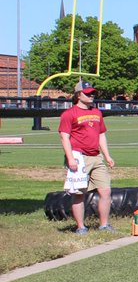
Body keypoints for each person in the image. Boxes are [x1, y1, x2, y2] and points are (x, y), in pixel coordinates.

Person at [57, 80, 116, 234]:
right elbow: (64, 137)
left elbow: (101, 135)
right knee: (78, 194)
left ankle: (104, 225)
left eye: (93, 93)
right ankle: (81, 227)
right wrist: (70, 159)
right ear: (78, 95)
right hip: (79, 157)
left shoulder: (97, 112)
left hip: (96, 157)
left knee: (106, 191)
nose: (92, 95)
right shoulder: (69, 114)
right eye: (88, 93)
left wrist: (107, 155)